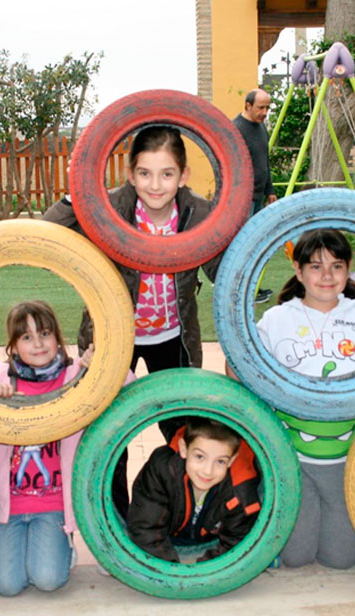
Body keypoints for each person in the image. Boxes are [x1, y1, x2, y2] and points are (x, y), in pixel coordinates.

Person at [44, 126, 222, 518]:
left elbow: (221, 270)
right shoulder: (108, 207)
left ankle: (181, 517)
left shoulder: (197, 212)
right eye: (144, 173)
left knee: (181, 432)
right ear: (129, 173)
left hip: (172, 337)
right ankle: (116, 521)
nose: (155, 185)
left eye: (166, 174)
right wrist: (79, 196)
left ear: (184, 175)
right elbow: (48, 230)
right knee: (110, 432)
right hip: (111, 338)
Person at [251, 228, 355, 569]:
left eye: (336, 266)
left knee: (341, 559)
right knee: (296, 557)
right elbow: (241, 368)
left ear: (348, 269)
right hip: (293, 457)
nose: (326, 276)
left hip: (348, 458)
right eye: (315, 266)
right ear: (298, 271)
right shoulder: (277, 318)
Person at [0, 300, 94, 597]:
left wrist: (101, 367)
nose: (39, 344)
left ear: (58, 338)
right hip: (10, 507)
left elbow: (127, 385)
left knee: (48, 580)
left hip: (52, 504)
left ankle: (62, 549)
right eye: (27, 337)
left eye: (45, 334)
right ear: (14, 347)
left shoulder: (75, 376)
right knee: (6, 586)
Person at [127, 418, 261, 563]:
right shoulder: (164, 470)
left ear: (232, 460)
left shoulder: (239, 491)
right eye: (199, 457)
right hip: (166, 537)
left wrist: (200, 576)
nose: (208, 471)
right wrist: (170, 571)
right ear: (184, 449)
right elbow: (145, 527)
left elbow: (236, 544)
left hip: (209, 541)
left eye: (220, 461)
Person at [233, 88, 278, 304]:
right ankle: (241, 291)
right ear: (248, 106)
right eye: (261, 107)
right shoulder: (236, 129)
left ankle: (251, 289)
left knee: (256, 243)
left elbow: (264, 162)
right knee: (245, 245)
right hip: (243, 199)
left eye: (267, 107)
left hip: (259, 196)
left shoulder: (261, 129)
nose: (265, 112)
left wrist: (270, 190)